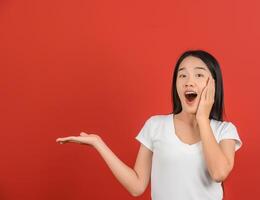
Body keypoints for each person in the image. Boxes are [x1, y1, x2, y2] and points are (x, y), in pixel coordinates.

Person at [56, 49, 243, 200]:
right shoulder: (156, 125)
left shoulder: (225, 131)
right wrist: (98, 143)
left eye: (199, 75)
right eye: (182, 76)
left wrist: (202, 118)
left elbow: (219, 172)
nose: (189, 82)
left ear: (213, 85)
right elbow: (136, 187)